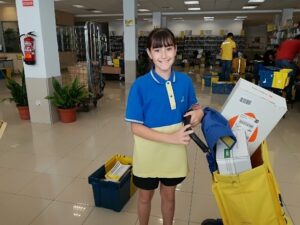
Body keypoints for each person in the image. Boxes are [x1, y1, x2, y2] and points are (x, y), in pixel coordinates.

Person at [125, 28, 204, 225]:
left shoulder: (185, 81)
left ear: (175, 50)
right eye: (157, 50)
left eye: (168, 49)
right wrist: (172, 138)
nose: (163, 55)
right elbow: (135, 128)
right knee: (145, 197)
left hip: (173, 154)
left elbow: (194, 106)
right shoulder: (140, 86)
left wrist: (199, 113)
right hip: (148, 152)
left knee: (169, 196)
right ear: (149, 54)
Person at [275, 35, 300, 101]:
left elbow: (279, 51)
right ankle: (288, 97)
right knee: (290, 79)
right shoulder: (299, 42)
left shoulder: (286, 41)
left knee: (280, 79)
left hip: (277, 61)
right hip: (286, 62)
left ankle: (278, 96)